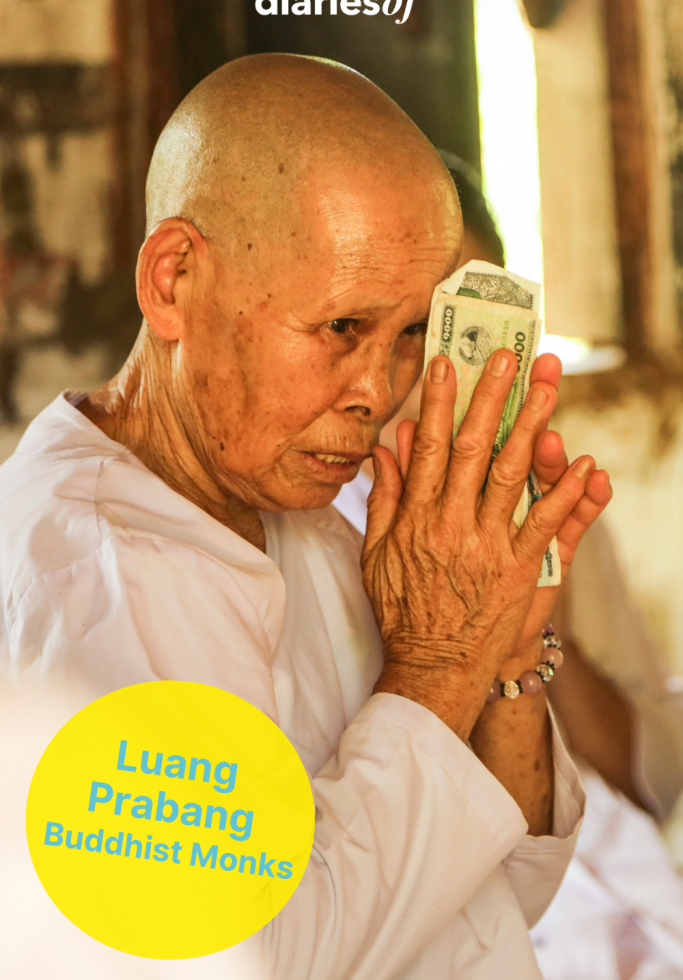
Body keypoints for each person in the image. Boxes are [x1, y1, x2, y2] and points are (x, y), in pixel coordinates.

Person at [0, 55, 612, 979]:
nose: (379, 391)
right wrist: (440, 666)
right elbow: (250, 963)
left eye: (410, 333)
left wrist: (505, 661)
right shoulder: (92, 582)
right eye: (341, 330)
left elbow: (490, 899)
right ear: (172, 281)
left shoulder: (297, 506)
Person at [335, 151, 683, 979]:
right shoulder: (307, 517)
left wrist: (534, 638)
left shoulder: (548, 500)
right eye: (429, 319)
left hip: (601, 886)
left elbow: (649, 785)